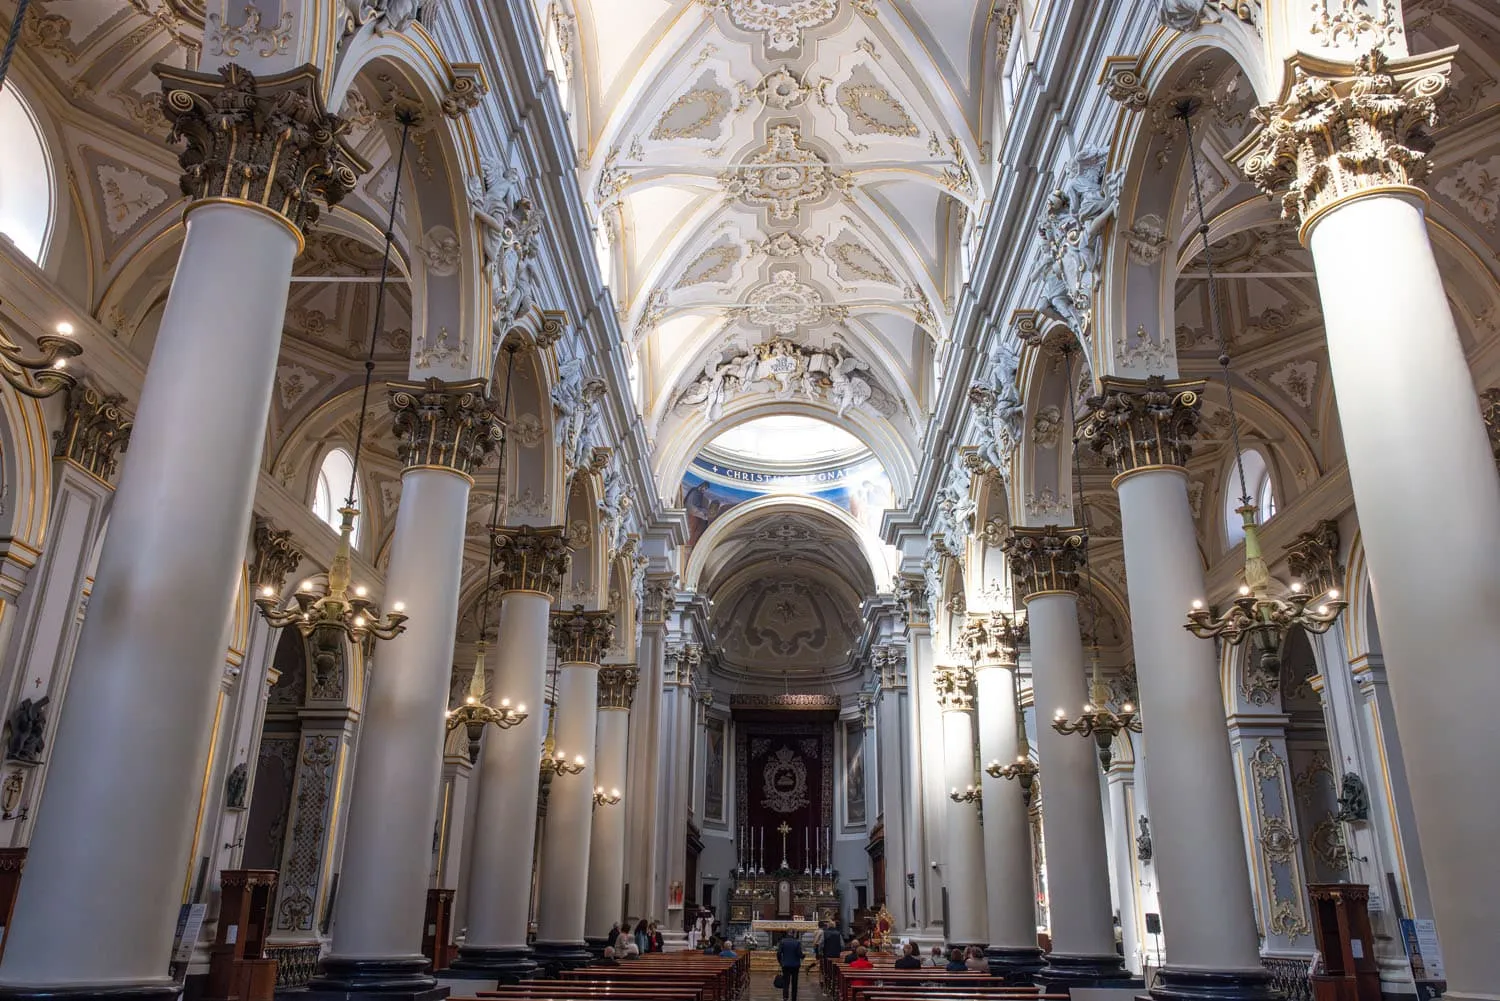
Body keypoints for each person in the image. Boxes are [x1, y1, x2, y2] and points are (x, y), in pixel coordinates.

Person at [777, 929, 805, 1001]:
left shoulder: (782, 941)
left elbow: (779, 953)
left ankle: (785, 997)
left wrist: (780, 962)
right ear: (793, 934)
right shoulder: (797, 942)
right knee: (794, 982)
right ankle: (794, 998)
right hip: (795, 965)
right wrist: (803, 956)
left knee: (786, 982)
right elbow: (799, 954)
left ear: (787, 933)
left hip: (785, 964)